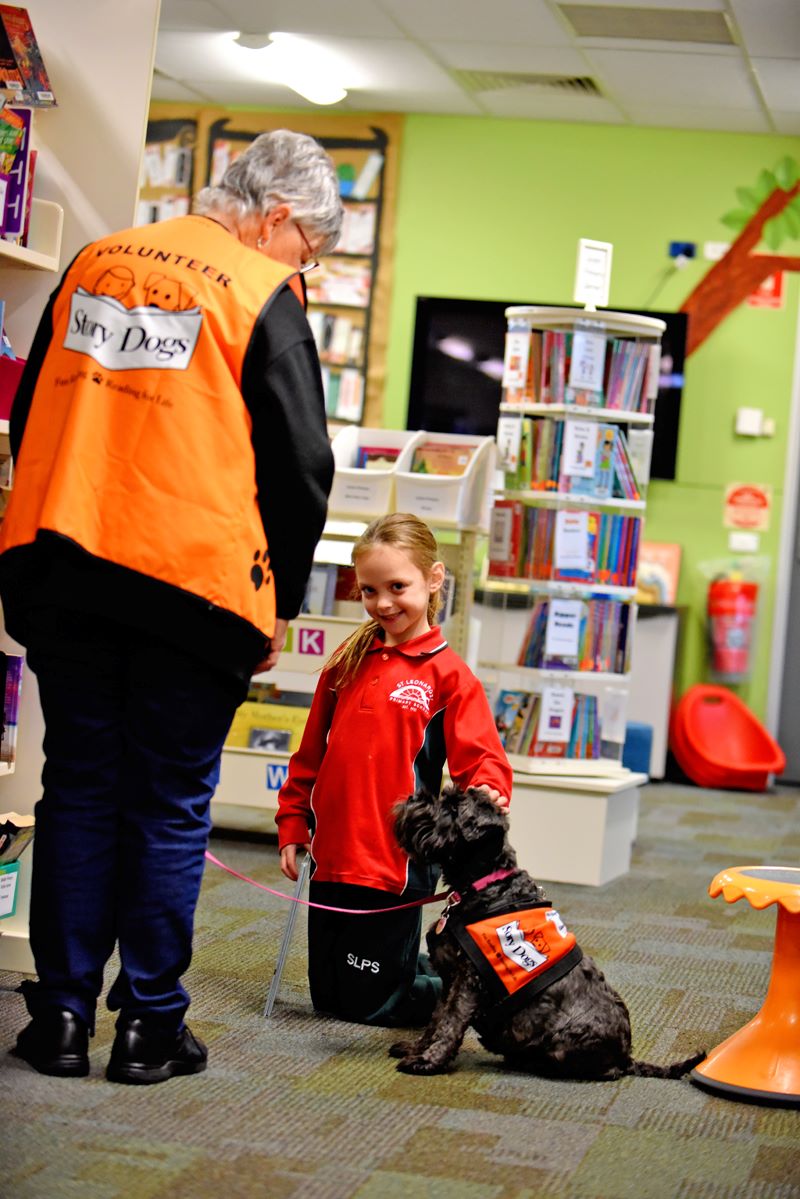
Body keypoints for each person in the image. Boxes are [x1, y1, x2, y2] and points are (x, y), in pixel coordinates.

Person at [0, 129, 343, 1083]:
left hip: (65, 569)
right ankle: (151, 1026)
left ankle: (61, 1016)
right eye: (308, 250)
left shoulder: (94, 260)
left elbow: (32, 416)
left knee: (74, 791)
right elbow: (303, 465)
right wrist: (280, 597)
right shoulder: (258, 291)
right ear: (278, 219)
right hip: (189, 590)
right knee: (165, 806)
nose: (302, 268)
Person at [277, 514, 512, 1027]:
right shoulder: (346, 660)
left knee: (372, 1004)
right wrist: (293, 823)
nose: (383, 603)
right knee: (333, 1000)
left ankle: (473, 989)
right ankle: (428, 966)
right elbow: (309, 755)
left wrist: (489, 788)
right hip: (334, 855)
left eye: (397, 587)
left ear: (433, 580)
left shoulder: (449, 676)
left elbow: (482, 759)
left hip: (393, 865)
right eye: (369, 590)